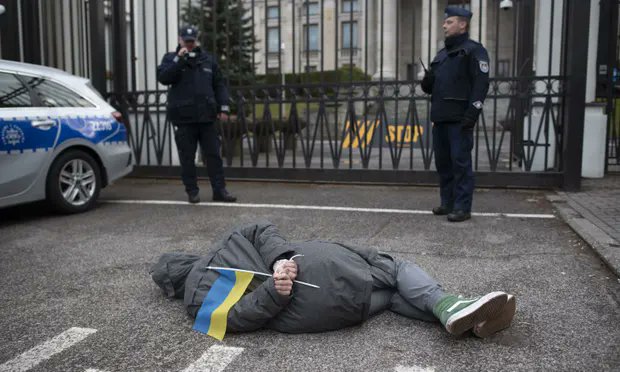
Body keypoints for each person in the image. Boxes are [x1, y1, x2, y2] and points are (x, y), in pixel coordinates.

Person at [151, 221, 516, 339]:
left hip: (310, 318)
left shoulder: (197, 308)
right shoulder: (224, 245)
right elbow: (264, 229)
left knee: (387, 299)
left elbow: (239, 320)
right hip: (314, 267)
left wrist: (274, 295)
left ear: (174, 289)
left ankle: (467, 321)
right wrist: (281, 261)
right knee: (392, 268)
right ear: (186, 258)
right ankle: (451, 305)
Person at [421, 7, 490, 222]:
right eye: (445, 22)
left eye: (449, 22)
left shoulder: (473, 50)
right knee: (443, 164)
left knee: (460, 164)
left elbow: (481, 84)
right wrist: (427, 81)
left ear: (463, 24)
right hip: (440, 118)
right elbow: (430, 88)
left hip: (460, 118)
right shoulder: (441, 55)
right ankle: (448, 202)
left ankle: (462, 207)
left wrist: (473, 112)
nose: (444, 25)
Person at [157, 25, 236, 204]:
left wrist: (223, 107)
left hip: (207, 118)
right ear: (180, 40)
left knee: (213, 156)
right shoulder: (171, 58)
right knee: (187, 157)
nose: (190, 45)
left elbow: (219, 84)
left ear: (197, 40)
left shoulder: (208, 60)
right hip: (184, 119)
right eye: (187, 41)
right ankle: (192, 191)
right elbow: (163, 78)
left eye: (192, 41)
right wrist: (179, 59)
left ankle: (219, 190)